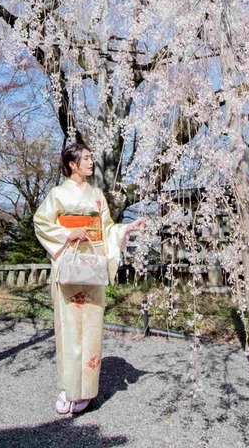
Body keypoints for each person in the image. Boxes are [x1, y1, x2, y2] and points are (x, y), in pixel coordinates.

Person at [33, 142, 144, 416]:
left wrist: (125, 229)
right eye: (86, 159)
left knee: (92, 329)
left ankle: (86, 390)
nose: (91, 163)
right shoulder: (58, 194)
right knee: (67, 327)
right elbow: (40, 222)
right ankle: (67, 388)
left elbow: (106, 228)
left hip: (93, 267)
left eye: (91, 158)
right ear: (73, 164)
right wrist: (68, 233)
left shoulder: (97, 195)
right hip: (69, 265)